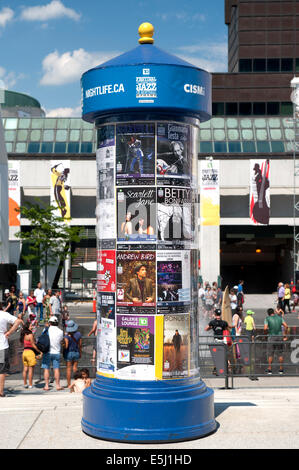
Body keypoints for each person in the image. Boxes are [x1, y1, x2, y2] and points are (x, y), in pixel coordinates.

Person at [0, 303, 23, 397]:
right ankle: (0, 391)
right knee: (1, 370)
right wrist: (9, 332)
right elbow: (18, 321)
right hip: (2, 346)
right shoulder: (4, 314)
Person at [41, 316, 64, 391]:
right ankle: (58, 385)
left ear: (50, 323)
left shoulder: (46, 330)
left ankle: (47, 385)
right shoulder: (60, 331)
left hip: (47, 351)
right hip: (56, 352)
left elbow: (42, 338)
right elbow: (61, 340)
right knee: (56, 369)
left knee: (46, 369)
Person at [264, 308, 288, 375]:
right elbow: (286, 326)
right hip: (280, 337)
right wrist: (285, 335)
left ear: (268, 313)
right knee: (280, 353)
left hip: (271, 337)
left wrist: (266, 334)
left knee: (270, 354)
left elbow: (265, 328)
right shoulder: (280, 318)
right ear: (274, 312)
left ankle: (269, 369)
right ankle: (281, 369)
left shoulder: (267, 318)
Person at [20, 321, 41, 389]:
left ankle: (25, 383)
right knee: (31, 370)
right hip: (30, 353)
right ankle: (30, 384)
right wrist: (39, 351)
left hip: (24, 352)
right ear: (28, 327)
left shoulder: (24, 334)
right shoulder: (30, 335)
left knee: (25, 369)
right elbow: (33, 345)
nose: (32, 326)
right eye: (31, 326)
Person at [63, 320, 82, 388]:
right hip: (76, 352)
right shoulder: (78, 334)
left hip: (69, 353)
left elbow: (66, 346)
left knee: (68, 369)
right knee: (75, 368)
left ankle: (69, 384)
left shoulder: (67, 336)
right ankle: (76, 382)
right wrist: (80, 352)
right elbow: (80, 345)